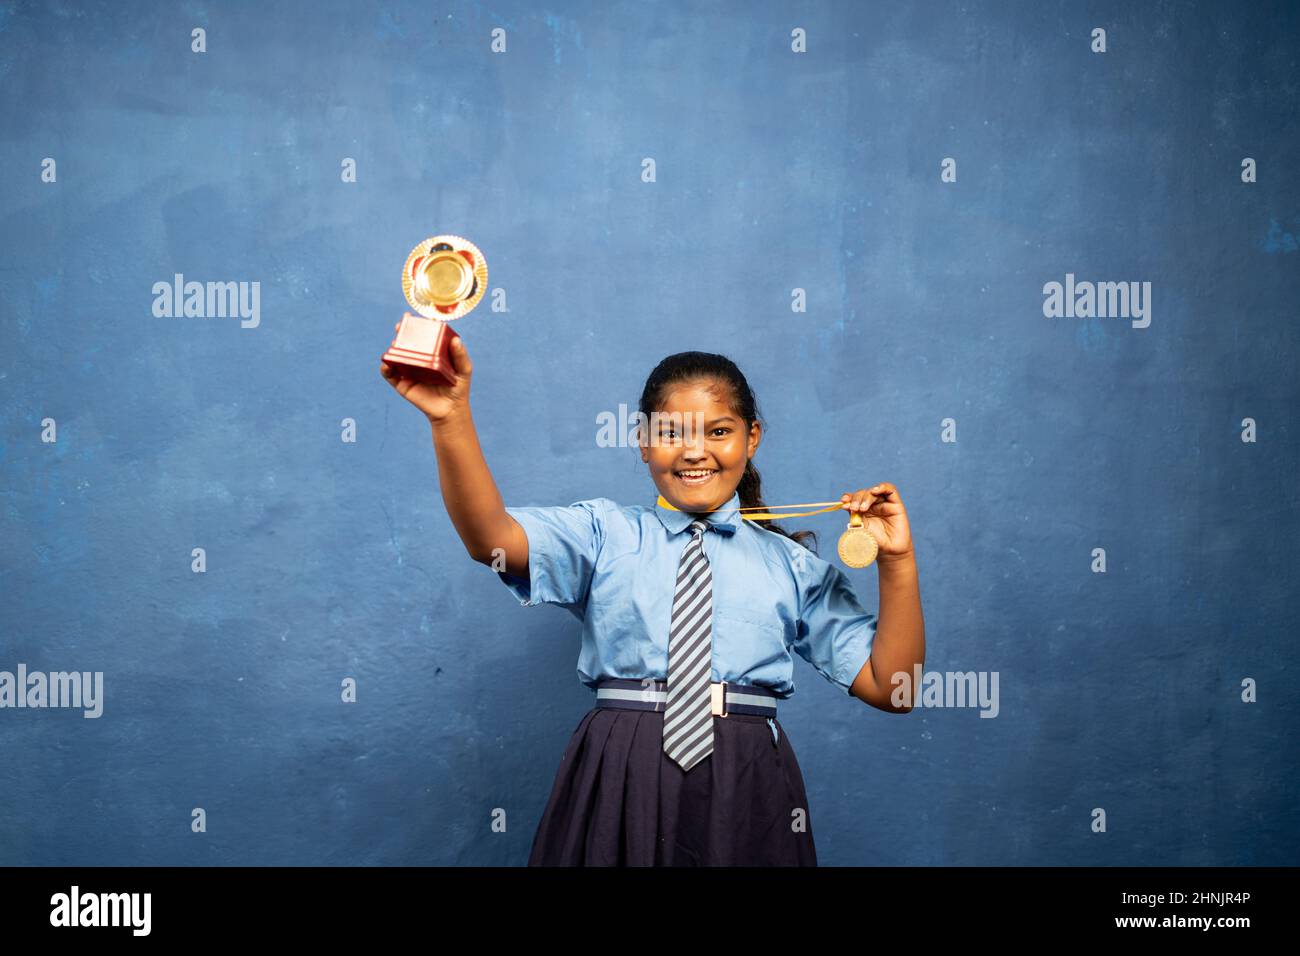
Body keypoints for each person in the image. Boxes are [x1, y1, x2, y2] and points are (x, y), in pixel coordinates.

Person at [381, 335, 925, 866]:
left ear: (751, 438)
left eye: (718, 430)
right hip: (620, 769)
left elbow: (892, 689)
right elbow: (490, 540)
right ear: (642, 441)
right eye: (671, 432)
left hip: (746, 781)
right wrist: (449, 419)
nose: (694, 450)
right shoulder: (603, 533)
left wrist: (896, 563)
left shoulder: (793, 566)